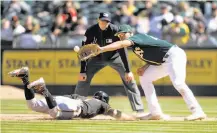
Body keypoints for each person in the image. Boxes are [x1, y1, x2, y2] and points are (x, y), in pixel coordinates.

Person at [93, 24, 206, 121]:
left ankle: (197, 111)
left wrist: (102, 49)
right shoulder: (136, 45)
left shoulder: (138, 37)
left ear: (130, 33)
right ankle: (155, 113)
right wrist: (145, 66)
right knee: (145, 78)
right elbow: (156, 54)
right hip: (164, 60)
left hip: (174, 55)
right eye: (119, 35)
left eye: (122, 34)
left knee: (178, 83)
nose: (121, 36)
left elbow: (121, 45)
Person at [75, 12, 144, 115]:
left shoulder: (115, 30)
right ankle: (77, 106)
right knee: (83, 79)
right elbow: (84, 52)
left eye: (106, 21)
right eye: (102, 20)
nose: (104, 23)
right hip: (97, 58)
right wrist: (82, 71)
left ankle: (139, 109)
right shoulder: (91, 31)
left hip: (114, 57)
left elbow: (122, 50)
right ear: (98, 20)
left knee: (129, 79)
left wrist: (128, 71)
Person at [8, 67, 136, 120]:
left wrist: (51, 99)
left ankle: (25, 77)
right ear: (104, 99)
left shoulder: (83, 97)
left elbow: (64, 98)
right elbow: (115, 113)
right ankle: (43, 89)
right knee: (54, 113)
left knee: (33, 105)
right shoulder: (102, 104)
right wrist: (131, 118)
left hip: (64, 100)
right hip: (76, 108)